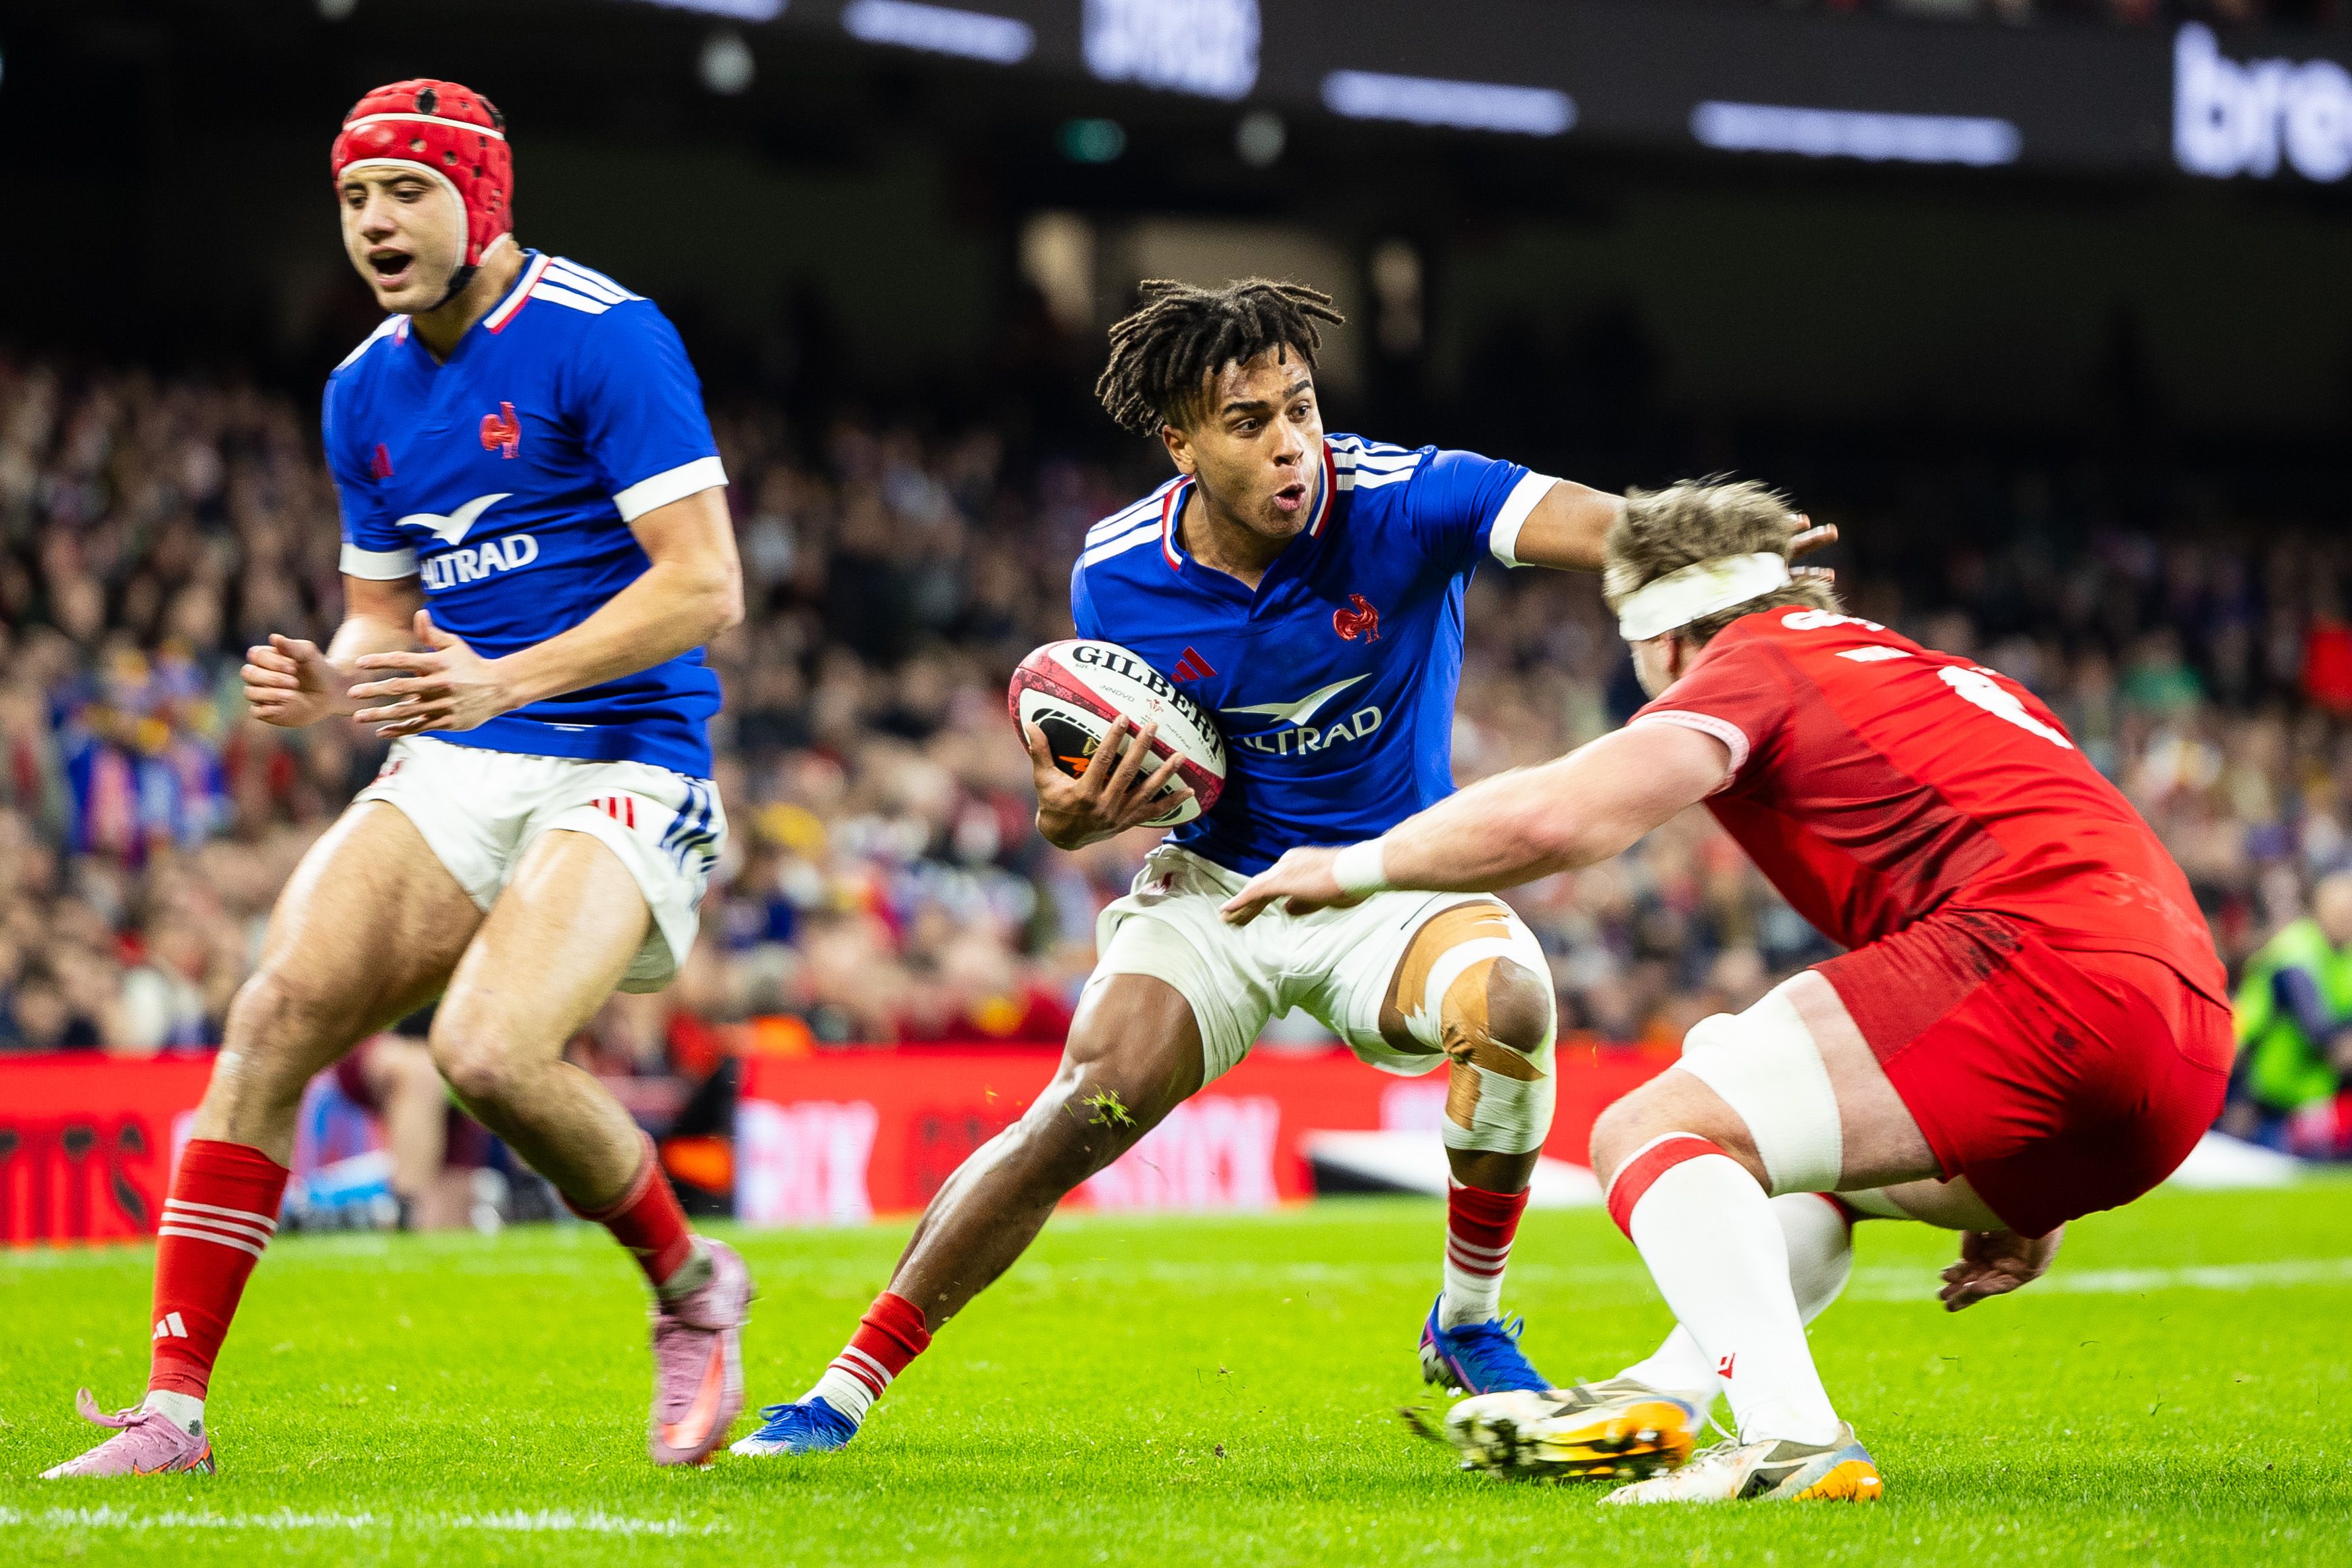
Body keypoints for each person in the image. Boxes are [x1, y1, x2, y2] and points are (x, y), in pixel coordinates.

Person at [733, 279, 1832, 1457]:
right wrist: (1069, 820)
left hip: (1390, 883)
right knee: (1081, 1111)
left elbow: (1607, 526)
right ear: (1182, 443)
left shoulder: (1411, 500)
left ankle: (1466, 1319)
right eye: (1248, 422)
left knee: (1509, 1003)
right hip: (1221, 891)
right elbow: (1086, 792)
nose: (1290, 444)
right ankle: (841, 1392)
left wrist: (1728, 556)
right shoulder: (1114, 575)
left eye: (1298, 408)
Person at [1221, 477, 2230, 1504]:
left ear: (1662, 638)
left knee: (1651, 1130)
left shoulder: (1757, 663)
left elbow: (1562, 819)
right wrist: (2034, 1167)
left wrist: (1351, 865)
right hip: (2176, 1045)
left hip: (2045, 980)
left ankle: (1794, 1439)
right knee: (1751, 1103)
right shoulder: (1918, 668)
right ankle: (1665, 1394)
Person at [45, 79, 751, 1478]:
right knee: (275, 1011)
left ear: (480, 199)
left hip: (622, 755)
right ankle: (172, 1413)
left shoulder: (604, 339)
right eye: (357, 195)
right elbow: (382, 618)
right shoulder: (360, 389)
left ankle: (690, 1287)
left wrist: (505, 675)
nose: (376, 220)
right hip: (461, 754)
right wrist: (331, 678)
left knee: (485, 1052)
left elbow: (706, 584)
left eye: (408, 191)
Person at [2225, 871, 2352, 1152]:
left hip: (2312, 1095)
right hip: (2261, 1092)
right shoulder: (2295, 953)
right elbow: (2317, 1031)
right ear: (2319, 909)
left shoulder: (2343, 953)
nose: (2347, 919)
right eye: (2341, 911)